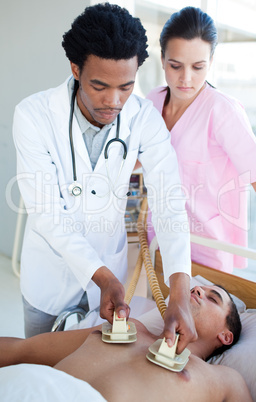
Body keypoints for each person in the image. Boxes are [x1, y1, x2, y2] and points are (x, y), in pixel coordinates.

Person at [13, 2, 195, 350]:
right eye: (100, 86)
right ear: (75, 69)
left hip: (109, 275)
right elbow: (49, 214)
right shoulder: (34, 116)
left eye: (126, 87)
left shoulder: (143, 118)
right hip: (49, 280)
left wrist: (180, 293)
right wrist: (103, 277)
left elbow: (169, 201)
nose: (114, 101)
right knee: (36, 370)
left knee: (88, 375)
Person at [145, 7, 256, 273]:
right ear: (162, 59)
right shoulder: (152, 102)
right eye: (175, 66)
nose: (186, 78)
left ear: (212, 61)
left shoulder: (223, 111)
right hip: (159, 242)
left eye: (198, 67)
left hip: (207, 251)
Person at [0, 285, 252, 401]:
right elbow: (21, 350)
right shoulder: (126, 328)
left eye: (213, 298)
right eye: (197, 288)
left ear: (225, 335)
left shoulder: (224, 380)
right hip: (30, 390)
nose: (197, 291)